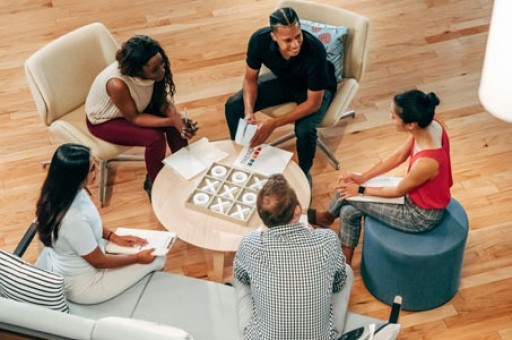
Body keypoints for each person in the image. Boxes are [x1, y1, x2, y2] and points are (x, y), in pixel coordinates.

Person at [310, 90, 453, 265]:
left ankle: (327, 218)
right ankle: (344, 265)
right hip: (412, 195)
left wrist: (360, 190)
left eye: (393, 116)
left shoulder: (428, 162)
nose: (390, 117)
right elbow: (399, 156)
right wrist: (362, 177)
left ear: (410, 125)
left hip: (419, 215)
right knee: (348, 211)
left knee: (345, 194)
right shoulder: (431, 126)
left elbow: (398, 191)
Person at [35, 143, 165, 304]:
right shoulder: (72, 219)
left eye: (94, 163)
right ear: (77, 176)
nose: (97, 169)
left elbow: (89, 223)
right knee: (158, 259)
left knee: (147, 250)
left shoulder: (61, 191)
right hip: (86, 284)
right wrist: (137, 258)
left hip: (88, 256)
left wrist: (112, 236)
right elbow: (99, 261)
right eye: (91, 169)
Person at [225, 7, 337, 183]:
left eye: (298, 36)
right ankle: (242, 154)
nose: (295, 44)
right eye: (288, 40)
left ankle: (304, 174)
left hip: (315, 89)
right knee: (233, 105)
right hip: (286, 80)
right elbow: (249, 79)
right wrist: (248, 112)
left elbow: (314, 103)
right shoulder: (258, 40)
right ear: (273, 36)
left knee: (305, 130)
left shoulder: (315, 50)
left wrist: (273, 124)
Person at [233, 173, 351, 339]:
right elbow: (338, 284)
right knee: (347, 270)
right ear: (298, 211)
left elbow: (242, 277)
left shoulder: (249, 243)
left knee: (240, 278)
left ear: (262, 217)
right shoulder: (327, 239)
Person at [85, 35, 198, 199]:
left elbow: (160, 100)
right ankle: (154, 181)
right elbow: (134, 118)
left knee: (175, 122)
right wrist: (172, 120)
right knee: (155, 138)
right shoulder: (117, 84)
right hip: (105, 120)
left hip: (136, 107)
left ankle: (185, 165)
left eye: (162, 64)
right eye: (155, 69)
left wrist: (176, 118)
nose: (162, 71)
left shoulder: (154, 71)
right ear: (138, 70)